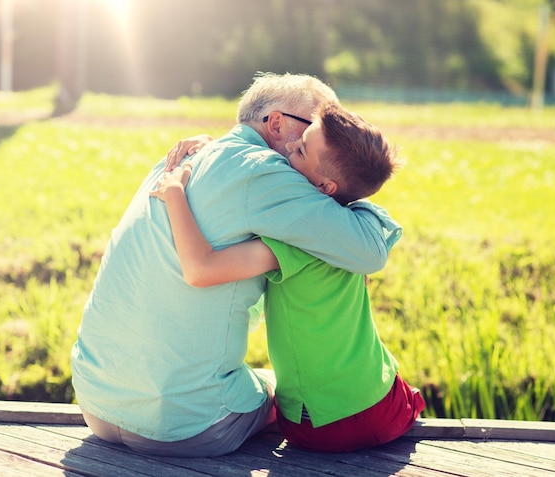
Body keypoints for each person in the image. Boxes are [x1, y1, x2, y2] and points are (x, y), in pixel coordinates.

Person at [71, 72, 398, 457]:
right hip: (185, 425)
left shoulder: (182, 158)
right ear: (276, 123)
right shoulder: (265, 171)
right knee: (286, 393)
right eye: (317, 125)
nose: (327, 137)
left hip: (95, 402)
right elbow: (368, 251)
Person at [151, 101, 425, 453]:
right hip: (383, 407)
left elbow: (201, 268)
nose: (288, 148)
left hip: (317, 426)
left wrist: (175, 193)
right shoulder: (355, 231)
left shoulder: (292, 241)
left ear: (326, 186)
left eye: (301, 150)